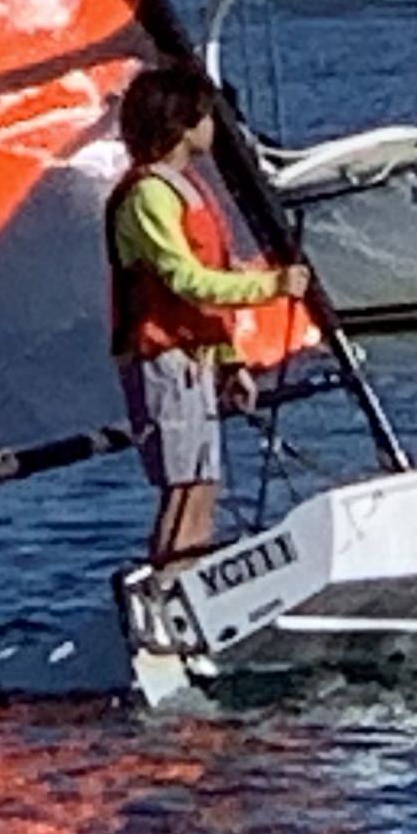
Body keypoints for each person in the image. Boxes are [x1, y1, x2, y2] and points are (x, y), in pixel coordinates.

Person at [104, 59, 299, 566]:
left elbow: (205, 293)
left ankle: (189, 587)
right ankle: (167, 592)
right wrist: (273, 286)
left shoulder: (188, 187)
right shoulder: (149, 195)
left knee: (202, 483)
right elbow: (185, 280)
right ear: (181, 125)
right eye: (206, 117)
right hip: (163, 358)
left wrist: (230, 360)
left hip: (196, 357)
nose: (214, 126)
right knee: (184, 486)